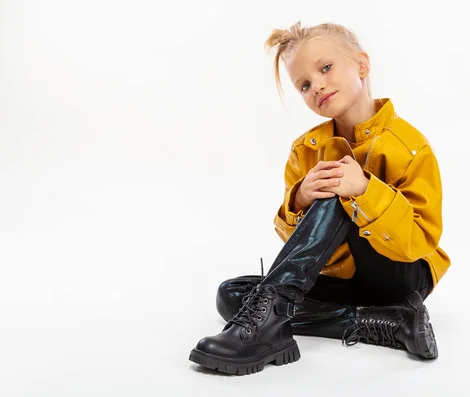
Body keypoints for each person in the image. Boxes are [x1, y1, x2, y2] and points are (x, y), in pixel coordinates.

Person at [189, 21, 451, 375]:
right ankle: (390, 323)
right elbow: (298, 249)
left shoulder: (409, 146)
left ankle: (271, 324)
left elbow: (421, 241)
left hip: (401, 274)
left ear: (361, 64)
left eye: (326, 68)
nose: (318, 86)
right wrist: (297, 201)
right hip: (343, 280)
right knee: (231, 296)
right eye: (305, 85)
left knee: (338, 189)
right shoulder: (305, 149)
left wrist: (365, 191)